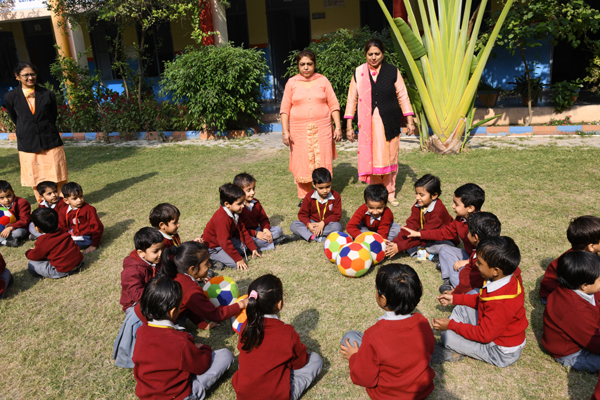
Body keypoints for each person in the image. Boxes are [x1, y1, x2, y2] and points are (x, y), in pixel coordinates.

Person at [340, 264, 435, 399]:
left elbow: (364, 379)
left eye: (376, 289)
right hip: (421, 391)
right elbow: (430, 349)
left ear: (383, 299)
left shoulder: (373, 335)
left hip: (388, 396)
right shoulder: (422, 322)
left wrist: (354, 357)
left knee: (350, 337)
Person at [132, 276, 234, 400]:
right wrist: (204, 348)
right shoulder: (180, 341)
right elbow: (201, 366)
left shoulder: (141, 331)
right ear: (173, 311)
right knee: (225, 355)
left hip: (148, 394)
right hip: (177, 396)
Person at [432, 236, 528, 368]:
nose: (476, 264)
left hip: (499, 351)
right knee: (461, 307)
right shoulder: (506, 277)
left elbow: (484, 335)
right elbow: (483, 299)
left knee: (447, 336)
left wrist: (451, 325)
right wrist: (456, 299)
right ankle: (459, 337)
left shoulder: (501, 302)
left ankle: (455, 347)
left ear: (495, 271)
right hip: (494, 330)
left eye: (480, 263)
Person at [344, 39, 416, 206]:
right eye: (370, 54)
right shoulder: (359, 72)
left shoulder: (392, 71)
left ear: (383, 54)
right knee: (373, 158)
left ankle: (390, 193)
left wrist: (410, 121)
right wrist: (348, 126)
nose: (374, 57)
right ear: (365, 54)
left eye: (377, 54)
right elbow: (351, 99)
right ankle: (376, 193)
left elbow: (403, 96)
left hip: (389, 122)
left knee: (390, 157)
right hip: (368, 125)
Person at [232, 274, 323, 400]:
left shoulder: (245, 326)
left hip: (244, 395)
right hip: (276, 396)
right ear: (279, 304)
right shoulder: (287, 332)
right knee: (316, 359)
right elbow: (300, 363)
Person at [280, 50, 342, 201]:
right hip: (299, 131)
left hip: (323, 128)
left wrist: (338, 127)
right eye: (302, 64)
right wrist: (285, 131)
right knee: (302, 162)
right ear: (298, 66)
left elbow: (333, 104)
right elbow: (285, 109)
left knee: (323, 159)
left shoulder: (323, 80)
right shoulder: (292, 83)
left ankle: (323, 193)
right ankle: (305, 197)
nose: (306, 67)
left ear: (314, 65)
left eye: (309, 64)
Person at [3, 62, 68, 203]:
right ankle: (42, 202)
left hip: (49, 140)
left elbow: (52, 116)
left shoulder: (47, 94)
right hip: (28, 142)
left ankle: (62, 202)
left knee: (57, 172)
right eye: (26, 75)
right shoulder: (10, 96)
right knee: (35, 175)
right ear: (17, 77)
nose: (30, 77)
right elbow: (16, 118)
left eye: (32, 74)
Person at [402, 183, 485, 285]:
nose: (452, 206)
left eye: (456, 204)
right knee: (444, 249)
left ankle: (453, 276)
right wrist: (419, 234)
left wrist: (469, 261)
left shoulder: (482, 225)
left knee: (466, 271)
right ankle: (448, 279)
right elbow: (443, 232)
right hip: (468, 255)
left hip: (478, 260)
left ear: (470, 208)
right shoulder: (460, 219)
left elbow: (487, 253)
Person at [159, 242, 248, 329]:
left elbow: (189, 305)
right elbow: (216, 314)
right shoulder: (190, 289)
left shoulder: (177, 274)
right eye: (206, 263)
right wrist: (241, 304)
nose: (210, 265)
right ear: (193, 269)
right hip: (162, 327)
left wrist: (203, 325)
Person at [113, 227, 164, 369]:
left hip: (153, 298)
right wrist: (157, 299)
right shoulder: (132, 270)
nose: (160, 254)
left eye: (161, 249)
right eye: (156, 251)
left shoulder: (154, 261)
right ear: (141, 253)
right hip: (135, 305)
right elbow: (136, 294)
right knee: (148, 322)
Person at [542, 251, 600, 373]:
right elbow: (594, 343)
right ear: (584, 285)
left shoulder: (570, 288)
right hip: (573, 354)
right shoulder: (575, 310)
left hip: (584, 337)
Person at [386, 174, 456, 260]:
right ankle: (424, 253)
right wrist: (394, 244)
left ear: (434, 196)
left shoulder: (438, 211)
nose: (417, 197)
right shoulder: (418, 205)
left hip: (443, 240)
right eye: (416, 193)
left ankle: (430, 255)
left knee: (441, 247)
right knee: (407, 238)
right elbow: (411, 226)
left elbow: (425, 235)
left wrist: (400, 247)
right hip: (426, 235)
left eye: (421, 195)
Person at [540, 215, 600, 302]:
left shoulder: (592, 253)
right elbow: (549, 284)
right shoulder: (572, 263)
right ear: (591, 246)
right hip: (555, 295)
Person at [202, 183, 261, 270]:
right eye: (239, 204)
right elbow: (224, 242)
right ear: (227, 204)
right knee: (235, 264)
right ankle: (211, 258)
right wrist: (238, 259)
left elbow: (242, 230)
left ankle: (224, 257)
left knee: (245, 247)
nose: (243, 206)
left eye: (243, 202)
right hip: (214, 247)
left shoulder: (235, 212)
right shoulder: (221, 218)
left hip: (226, 242)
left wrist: (252, 248)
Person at [449, 212, 502, 295]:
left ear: (476, 238)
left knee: (454, 277)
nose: (467, 233)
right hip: (476, 280)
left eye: (468, 232)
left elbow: (469, 282)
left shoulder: (481, 260)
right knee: (456, 274)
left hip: (480, 289)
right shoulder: (489, 247)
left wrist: (454, 294)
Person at [234, 172, 290, 250]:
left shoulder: (256, 202)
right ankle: (274, 242)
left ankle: (263, 244)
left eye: (253, 189)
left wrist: (265, 229)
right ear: (239, 191)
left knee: (278, 230)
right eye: (248, 190)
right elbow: (238, 230)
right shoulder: (237, 207)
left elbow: (263, 219)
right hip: (247, 234)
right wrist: (256, 234)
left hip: (258, 230)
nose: (253, 192)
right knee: (243, 244)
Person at [26, 208, 84, 279]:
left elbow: (35, 256)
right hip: (78, 262)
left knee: (31, 263)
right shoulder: (62, 231)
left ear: (37, 228)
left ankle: (40, 275)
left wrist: (28, 252)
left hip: (62, 270)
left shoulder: (43, 240)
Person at [290, 168, 342, 243]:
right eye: (321, 188)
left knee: (337, 227)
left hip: (326, 224)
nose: (325, 190)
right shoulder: (309, 196)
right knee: (294, 225)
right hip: (312, 223)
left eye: (328, 186)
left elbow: (337, 215)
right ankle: (316, 237)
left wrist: (323, 223)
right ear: (314, 185)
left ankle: (306, 234)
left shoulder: (336, 196)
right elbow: (302, 214)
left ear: (331, 182)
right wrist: (308, 224)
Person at [60, 182, 103, 253]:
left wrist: (94, 245)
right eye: (75, 198)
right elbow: (61, 225)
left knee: (67, 245)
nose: (79, 200)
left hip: (86, 237)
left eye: (81, 196)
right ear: (66, 201)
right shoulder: (64, 210)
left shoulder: (89, 209)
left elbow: (97, 227)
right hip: (72, 234)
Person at [0, 180, 31, 247]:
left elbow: (24, 221)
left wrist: (10, 227)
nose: (6, 200)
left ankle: (3, 241)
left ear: (13, 193)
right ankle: (7, 242)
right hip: (2, 230)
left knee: (19, 232)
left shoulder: (22, 203)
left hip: (19, 228)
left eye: (8, 196)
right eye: (1, 198)